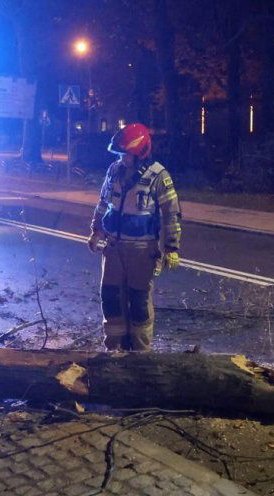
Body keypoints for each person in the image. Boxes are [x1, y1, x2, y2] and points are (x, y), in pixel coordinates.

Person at [87, 123, 182, 352]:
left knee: (139, 301)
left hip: (142, 250)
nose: (121, 159)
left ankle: (140, 354)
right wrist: (96, 230)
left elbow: (171, 213)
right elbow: (103, 203)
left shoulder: (159, 176)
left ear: (139, 152)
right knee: (110, 297)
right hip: (113, 248)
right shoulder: (114, 170)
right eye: (119, 154)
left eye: (125, 154)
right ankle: (114, 349)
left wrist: (171, 248)